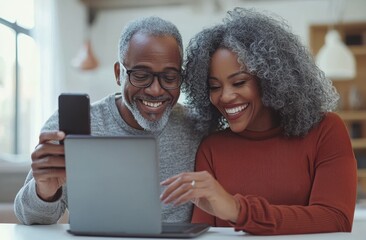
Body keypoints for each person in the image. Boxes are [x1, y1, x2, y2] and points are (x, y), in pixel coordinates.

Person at [160, 8, 357, 235]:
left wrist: (239, 210)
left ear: (270, 79)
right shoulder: (211, 149)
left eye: (239, 82)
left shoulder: (326, 131)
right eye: (214, 87)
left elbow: (335, 219)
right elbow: (205, 234)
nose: (224, 96)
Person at [14, 16, 207, 225]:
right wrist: (45, 192)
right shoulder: (68, 126)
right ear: (119, 74)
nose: (155, 90)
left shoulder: (198, 125)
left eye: (169, 77)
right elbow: (30, 219)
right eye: (141, 75)